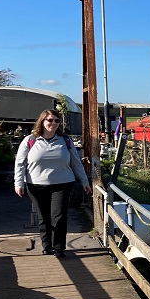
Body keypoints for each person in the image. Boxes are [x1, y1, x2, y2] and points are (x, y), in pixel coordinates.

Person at [14, 109, 92, 258]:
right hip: (36, 184)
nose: (53, 123)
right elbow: (20, 163)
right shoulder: (30, 140)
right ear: (42, 121)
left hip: (63, 183)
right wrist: (19, 183)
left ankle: (59, 248)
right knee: (43, 216)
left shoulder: (65, 141)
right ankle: (46, 246)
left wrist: (84, 181)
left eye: (57, 121)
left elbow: (76, 163)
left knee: (59, 215)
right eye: (50, 120)